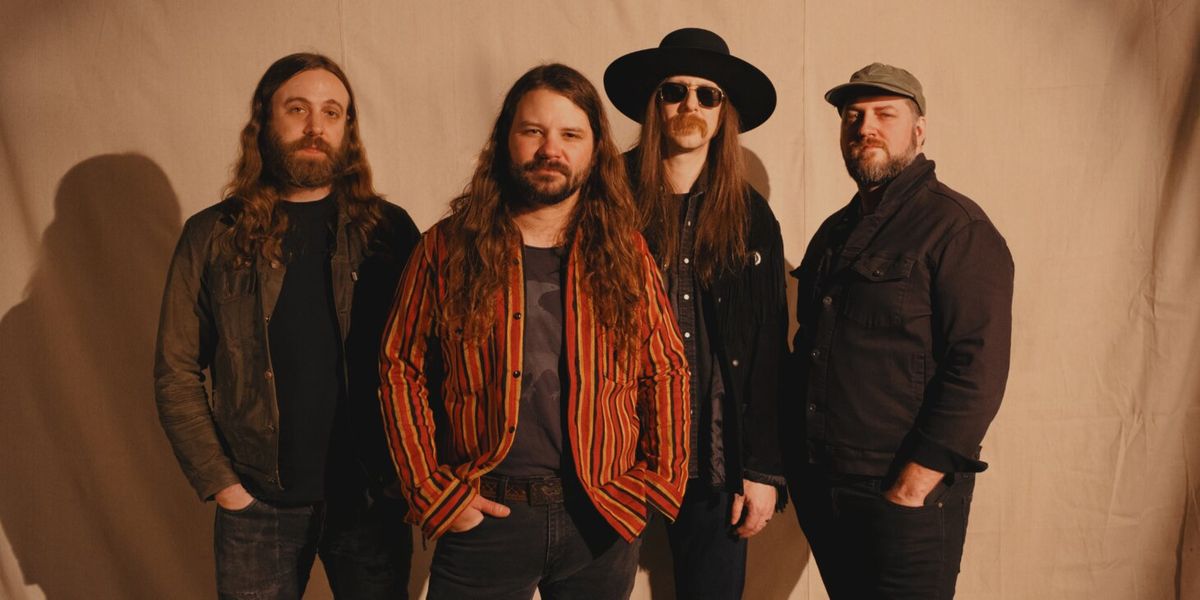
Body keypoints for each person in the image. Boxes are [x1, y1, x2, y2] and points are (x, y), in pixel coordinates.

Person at [378, 63, 690, 599]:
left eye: (570, 135)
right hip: (485, 515)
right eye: (533, 131)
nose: (551, 150)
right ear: (506, 139)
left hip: (601, 516)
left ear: (595, 150)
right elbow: (399, 368)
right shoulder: (445, 248)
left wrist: (656, 482)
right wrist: (431, 491)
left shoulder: (626, 252)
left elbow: (665, 368)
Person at [154, 52, 419, 599]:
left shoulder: (389, 231)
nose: (315, 127)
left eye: (332, 112)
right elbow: (175, 370)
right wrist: (224, 485)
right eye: (297, 109)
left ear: (348, 129)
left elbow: (430, 358)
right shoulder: (211, 236)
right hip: (258, 506)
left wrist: (410, 473)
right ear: (265, 120)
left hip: (371, 498)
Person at [787, 62, 1015, 598]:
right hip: (827, 487)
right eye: (853, 116)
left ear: (919, 130)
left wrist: (913, 486)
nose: (865, 127)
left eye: (884, 114)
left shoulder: (958, 228)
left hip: (903, 492)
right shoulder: (834, 232)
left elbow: (977, 368)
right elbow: (809, 348)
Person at [603, 27, 788, 599]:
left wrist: (762, 470)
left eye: (708, 95)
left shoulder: (751, 216)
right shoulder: (606, 196)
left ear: (723, 112)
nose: (691, 105)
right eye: (675, 91)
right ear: (654, 103)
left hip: (714, 451)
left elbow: (768, 346)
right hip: (615, 446)